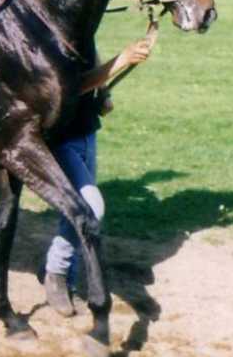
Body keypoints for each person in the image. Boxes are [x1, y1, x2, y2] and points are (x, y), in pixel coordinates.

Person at [41, 38, 153, 316]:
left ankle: (68, 281)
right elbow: (68, 87)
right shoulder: (48, 36)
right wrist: (122, 59)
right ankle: (56, 272)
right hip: (60, 139)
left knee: (73, 213)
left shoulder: (82, 31)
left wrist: (102, 93)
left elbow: (91, 53)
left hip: (87, 132)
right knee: (90, 208)